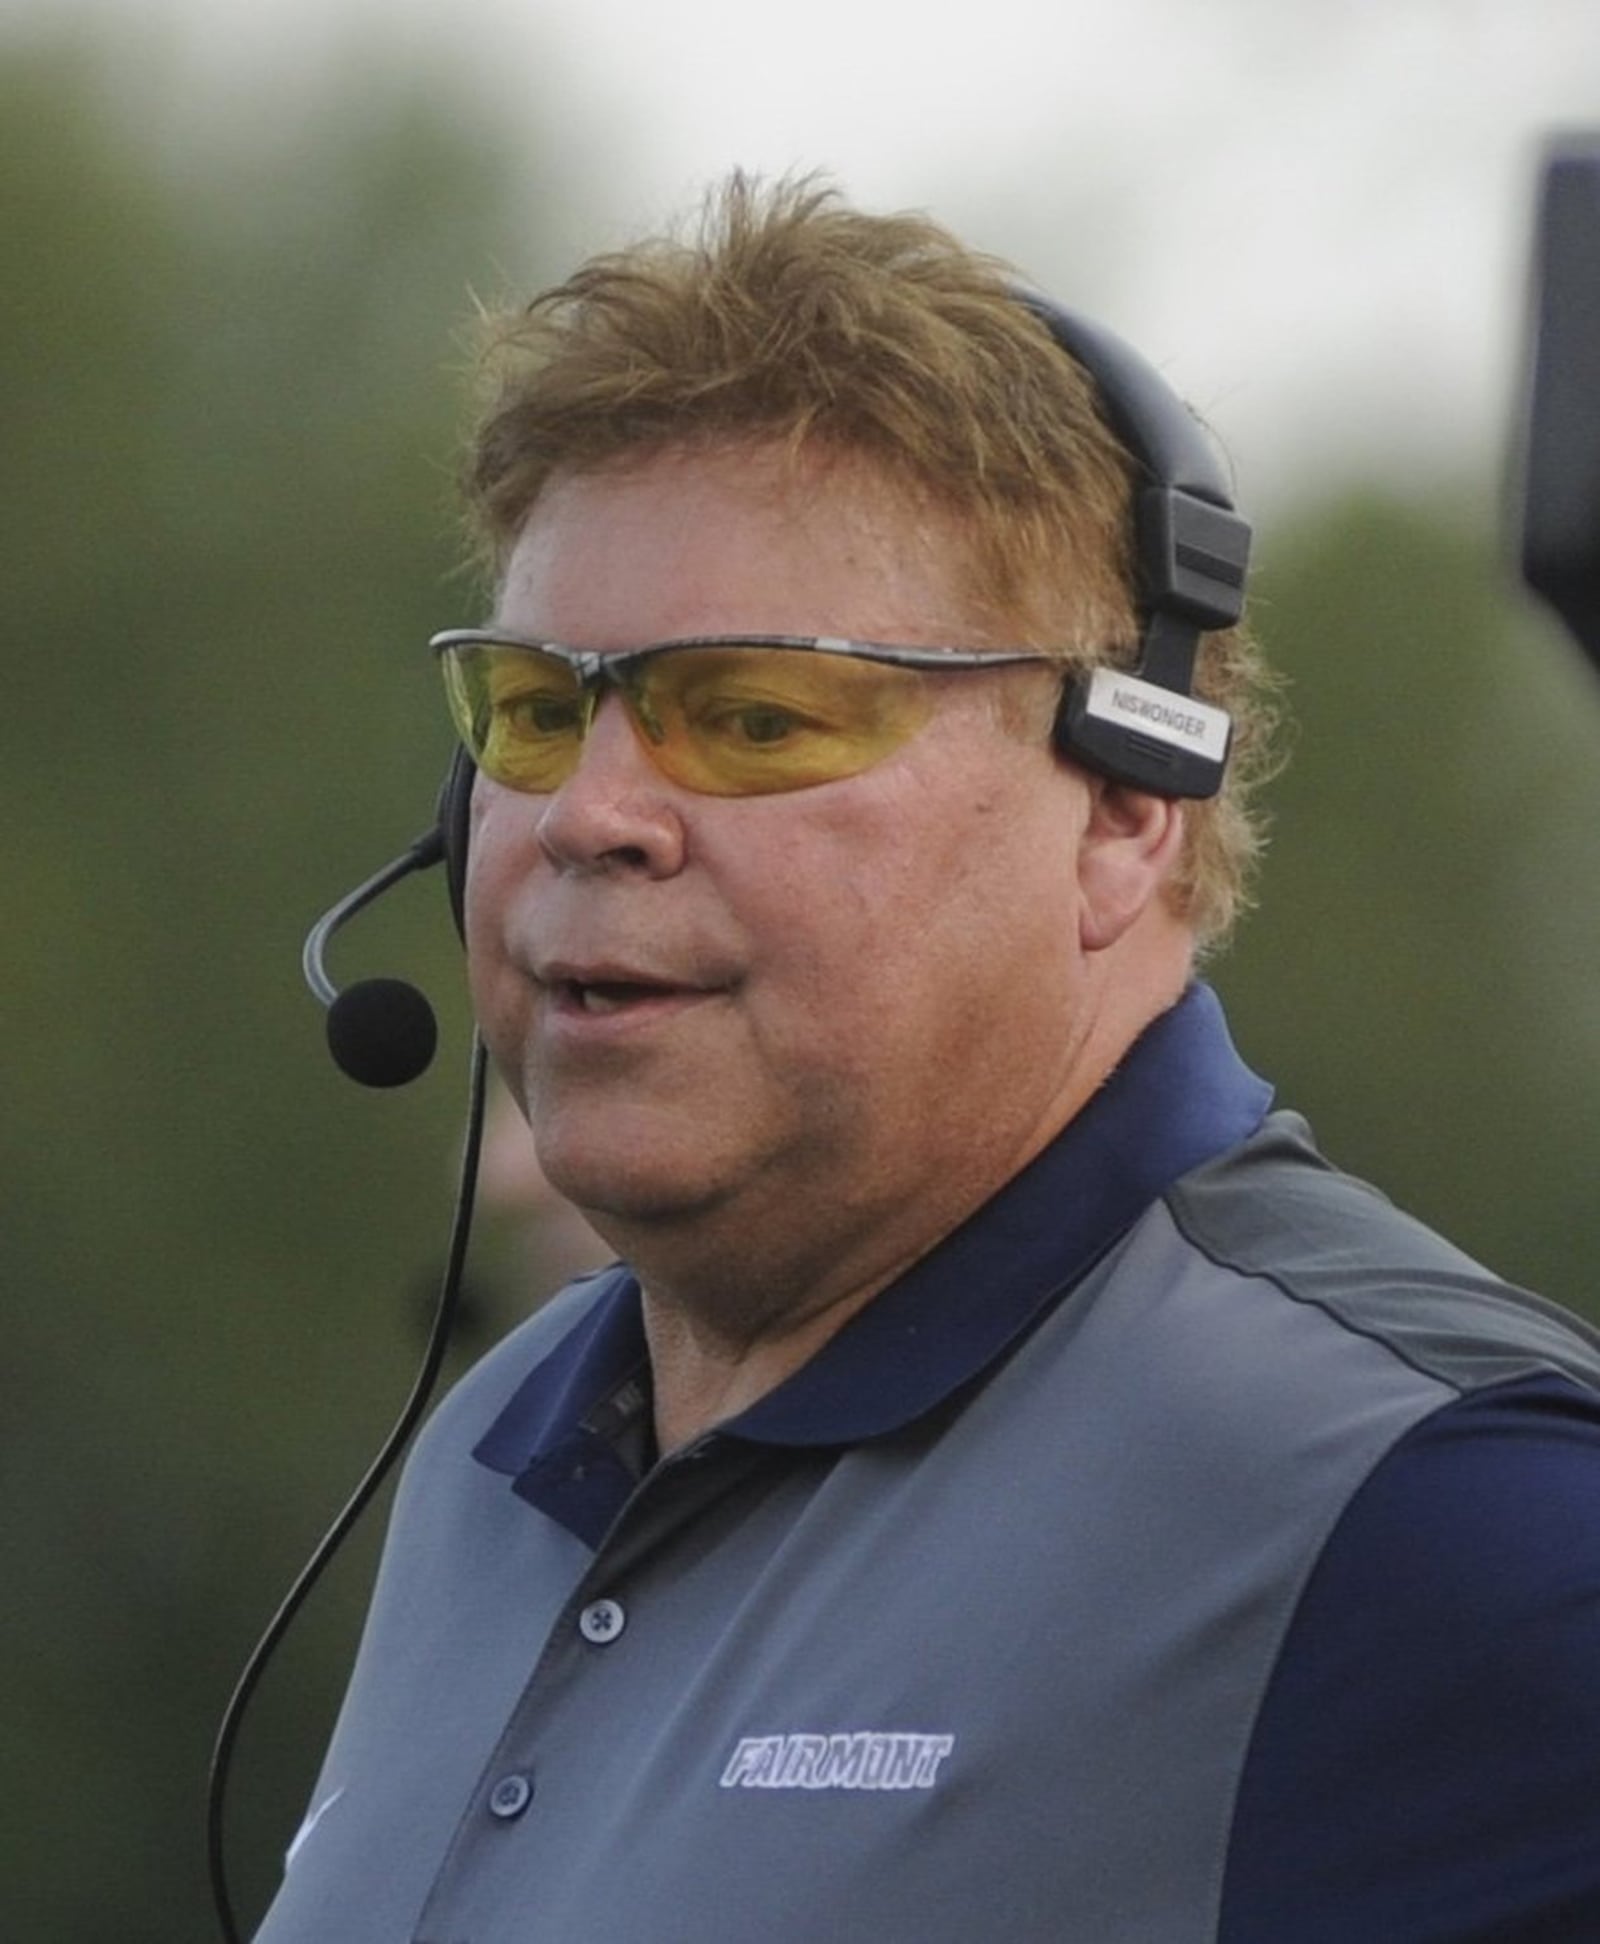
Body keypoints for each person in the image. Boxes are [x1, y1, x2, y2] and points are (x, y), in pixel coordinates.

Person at [258, 176, 1600, 1942]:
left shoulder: (1457, 1518)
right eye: (532, 708)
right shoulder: (494, 1452)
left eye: (751, 716)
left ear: (1126, 810)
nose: (588, 813)